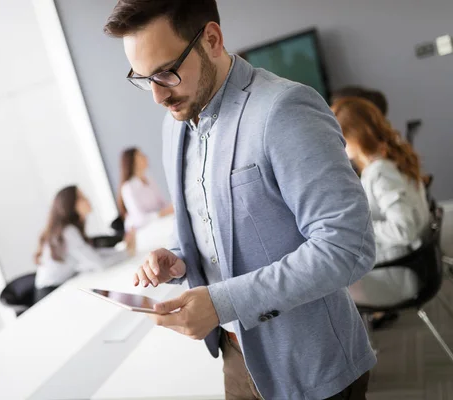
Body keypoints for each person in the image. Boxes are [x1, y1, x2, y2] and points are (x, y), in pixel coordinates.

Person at [104, 1, 376, 399]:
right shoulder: (174, 125)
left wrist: (222, 301)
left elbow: (347, 247)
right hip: (236, 357)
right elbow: (218, 229)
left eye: (165, 72)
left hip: (313, 366)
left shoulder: (284, 109)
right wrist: (179, 259)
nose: (158, 96)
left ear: (211, 39)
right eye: (144, 78)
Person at [332, 97, 430, 324]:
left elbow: (404, 230)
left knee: (330, 281)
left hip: (401, 272)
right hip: (413, 263)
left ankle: (359, 344)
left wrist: (359, 229)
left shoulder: (380, 172)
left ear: (354, 135)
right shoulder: (389, 161)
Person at [33, 186, 135, 302]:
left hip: (59, 288)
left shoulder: (69, 230)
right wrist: (127, 252)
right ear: (70, 205)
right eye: (81, 198)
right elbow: (99, 263)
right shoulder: (68, 233)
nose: (87, 199)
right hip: (49, 295)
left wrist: (124, 250)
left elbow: (92, 254)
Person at [118, 147, 174, 230]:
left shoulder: (149, 180)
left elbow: (162, 204)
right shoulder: (128, 188)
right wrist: (161, 214)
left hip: (157, 222)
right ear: (133, 162)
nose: (145, 157)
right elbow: (139, 218)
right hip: (140, 229)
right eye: (140, 155)